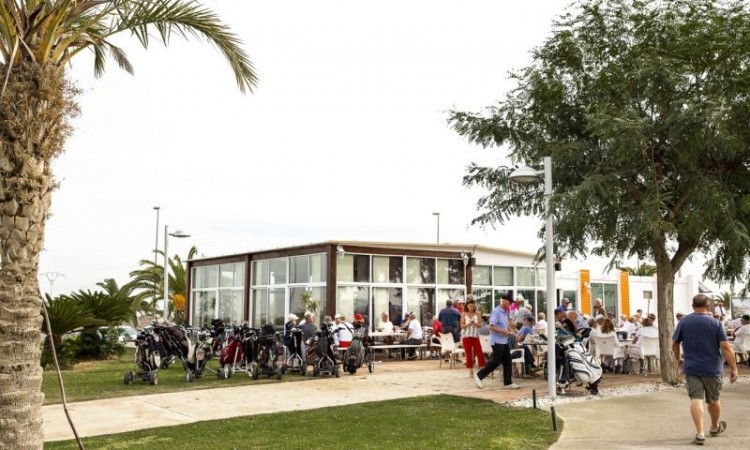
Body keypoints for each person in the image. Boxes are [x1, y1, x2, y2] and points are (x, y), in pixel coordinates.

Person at [672, 294, 739, 446]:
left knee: (696, 399)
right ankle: (714, 427)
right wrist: (734, 368)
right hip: (712, 368)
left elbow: (675, 344)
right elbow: (726, 346)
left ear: (692, 306)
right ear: (708, 306)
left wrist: (678, 359)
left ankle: (700, 433)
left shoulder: (684, 322)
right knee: (713, 399)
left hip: (692, 367)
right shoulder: (716, 323)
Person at [474, 295, 520, 390]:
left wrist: (512, 332)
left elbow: (505, 326)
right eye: (510, 303)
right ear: (504, 301)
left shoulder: (505, 312)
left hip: (504, 341)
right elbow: (491, 327)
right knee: (496, 361)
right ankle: (479, 376)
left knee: (507, 361)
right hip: (497, 341)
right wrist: (504, 332)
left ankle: (508, 383)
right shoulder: (496, 311)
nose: (511, 305)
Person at [460, 298, 485, 377]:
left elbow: (480, 324)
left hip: (475, 335)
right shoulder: (463, 314)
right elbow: (462, 326)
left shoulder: (478, 313)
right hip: (466, 336)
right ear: (467, 306)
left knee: (479, 352)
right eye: (470, 306)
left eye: (473, 306)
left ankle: (482, 370)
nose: (471, 308)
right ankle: (471, 371)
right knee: (468, 354)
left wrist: (476, 324)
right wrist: (469, 324)